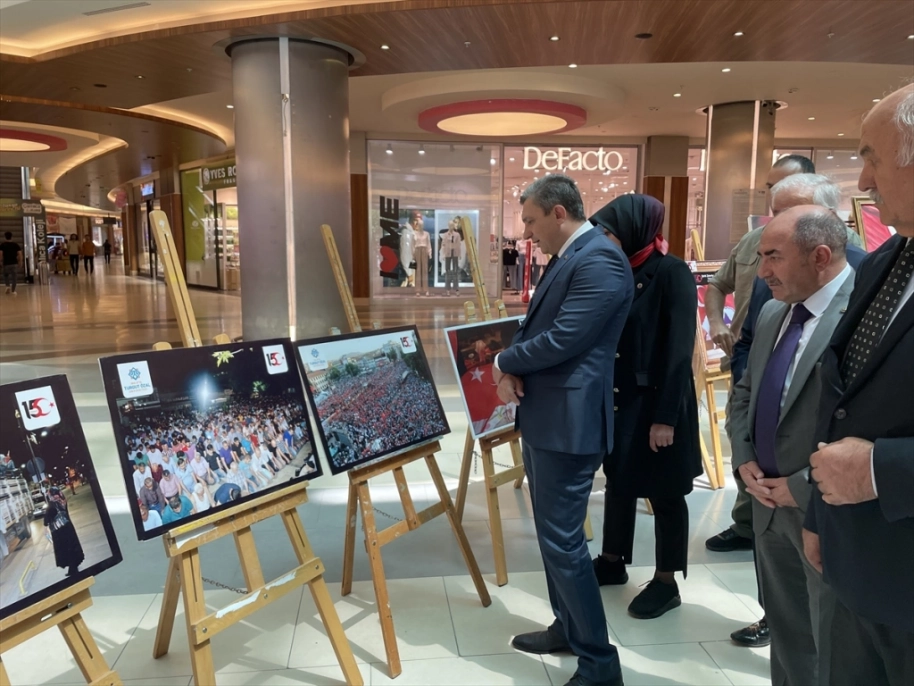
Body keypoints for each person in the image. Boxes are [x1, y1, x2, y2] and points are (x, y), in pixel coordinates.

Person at [494, 173, 632, 686]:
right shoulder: (572, 256)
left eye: (530, 220)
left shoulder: (597, 258)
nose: (526, 232)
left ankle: (599, 663)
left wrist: (505, 360)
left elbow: (565, 338)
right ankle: (567, 629)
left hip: (570, 425)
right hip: (548, 418)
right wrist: (513, 366)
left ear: (558, 213)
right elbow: (540, 328)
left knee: (564, 542)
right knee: (554, 541)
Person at [803, 84, 914, 686]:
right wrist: (821, 516)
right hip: (855, 568)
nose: (863, 180)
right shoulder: (885, 259)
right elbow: (842, 394)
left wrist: (881, 471)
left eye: (872, 155)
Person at [731, 206, 854, 685]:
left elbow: (869, 424)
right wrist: (743, 458)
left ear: (820, 255)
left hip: (823, 510)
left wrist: (801, 487)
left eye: (774, 257)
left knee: (834, 645)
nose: (763, 271)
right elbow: (746, 391)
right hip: (764, 506)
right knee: (787, 636)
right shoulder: (771, 312)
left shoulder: (859, 315)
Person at [589, 195, 701, 619]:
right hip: (622, 400)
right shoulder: (622, 269)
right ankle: (613, 559)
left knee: (666, 492)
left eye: (612, 230)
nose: (607, 238)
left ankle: (667, 580)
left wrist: (665, 418)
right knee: (619, 479)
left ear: (637, 229)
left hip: (659, 403)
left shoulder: (671, 274)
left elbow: (677, 353)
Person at [730, 173, 869, 386]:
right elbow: (748, 341)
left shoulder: (866, 275)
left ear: (827, 216)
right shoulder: (765, 268)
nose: (765, 271)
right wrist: (749, 387)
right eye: (775, 213)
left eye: (791, 213)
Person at [43, 487, 84, 577]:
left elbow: (48, 516)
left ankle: (73, 570)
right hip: (68, 527)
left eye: (49, 494)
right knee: (72, 547)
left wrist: (45, 526)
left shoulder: (52, 504)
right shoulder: (62, 500)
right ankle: (73, 568)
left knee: (66, 549)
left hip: (60, 531)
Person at [441, 220, 462, 295]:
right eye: (450, 225)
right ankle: (447, 288)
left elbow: (459, 245)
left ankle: (456, 288)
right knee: (448, 271)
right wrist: (443, 254)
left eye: (452, 225)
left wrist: (459, 254)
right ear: (448, 226)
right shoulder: (445, 235)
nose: (451, 227)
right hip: (448, 253)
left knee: (455, 270)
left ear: (454, 226)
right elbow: (443, 245)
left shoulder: (457, 235)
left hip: (455, 252)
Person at [1, 231, 22, 295]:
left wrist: (0, 262)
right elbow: (20, 254)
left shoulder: (2, 245)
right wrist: (20, 262)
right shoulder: (15, 245)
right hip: (14, 263)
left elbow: (0, 254)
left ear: (5, 237)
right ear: (11, 237)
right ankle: (13, 290)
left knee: (6, 275)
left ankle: (7, 286)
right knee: (14, 277)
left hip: (6, 263)